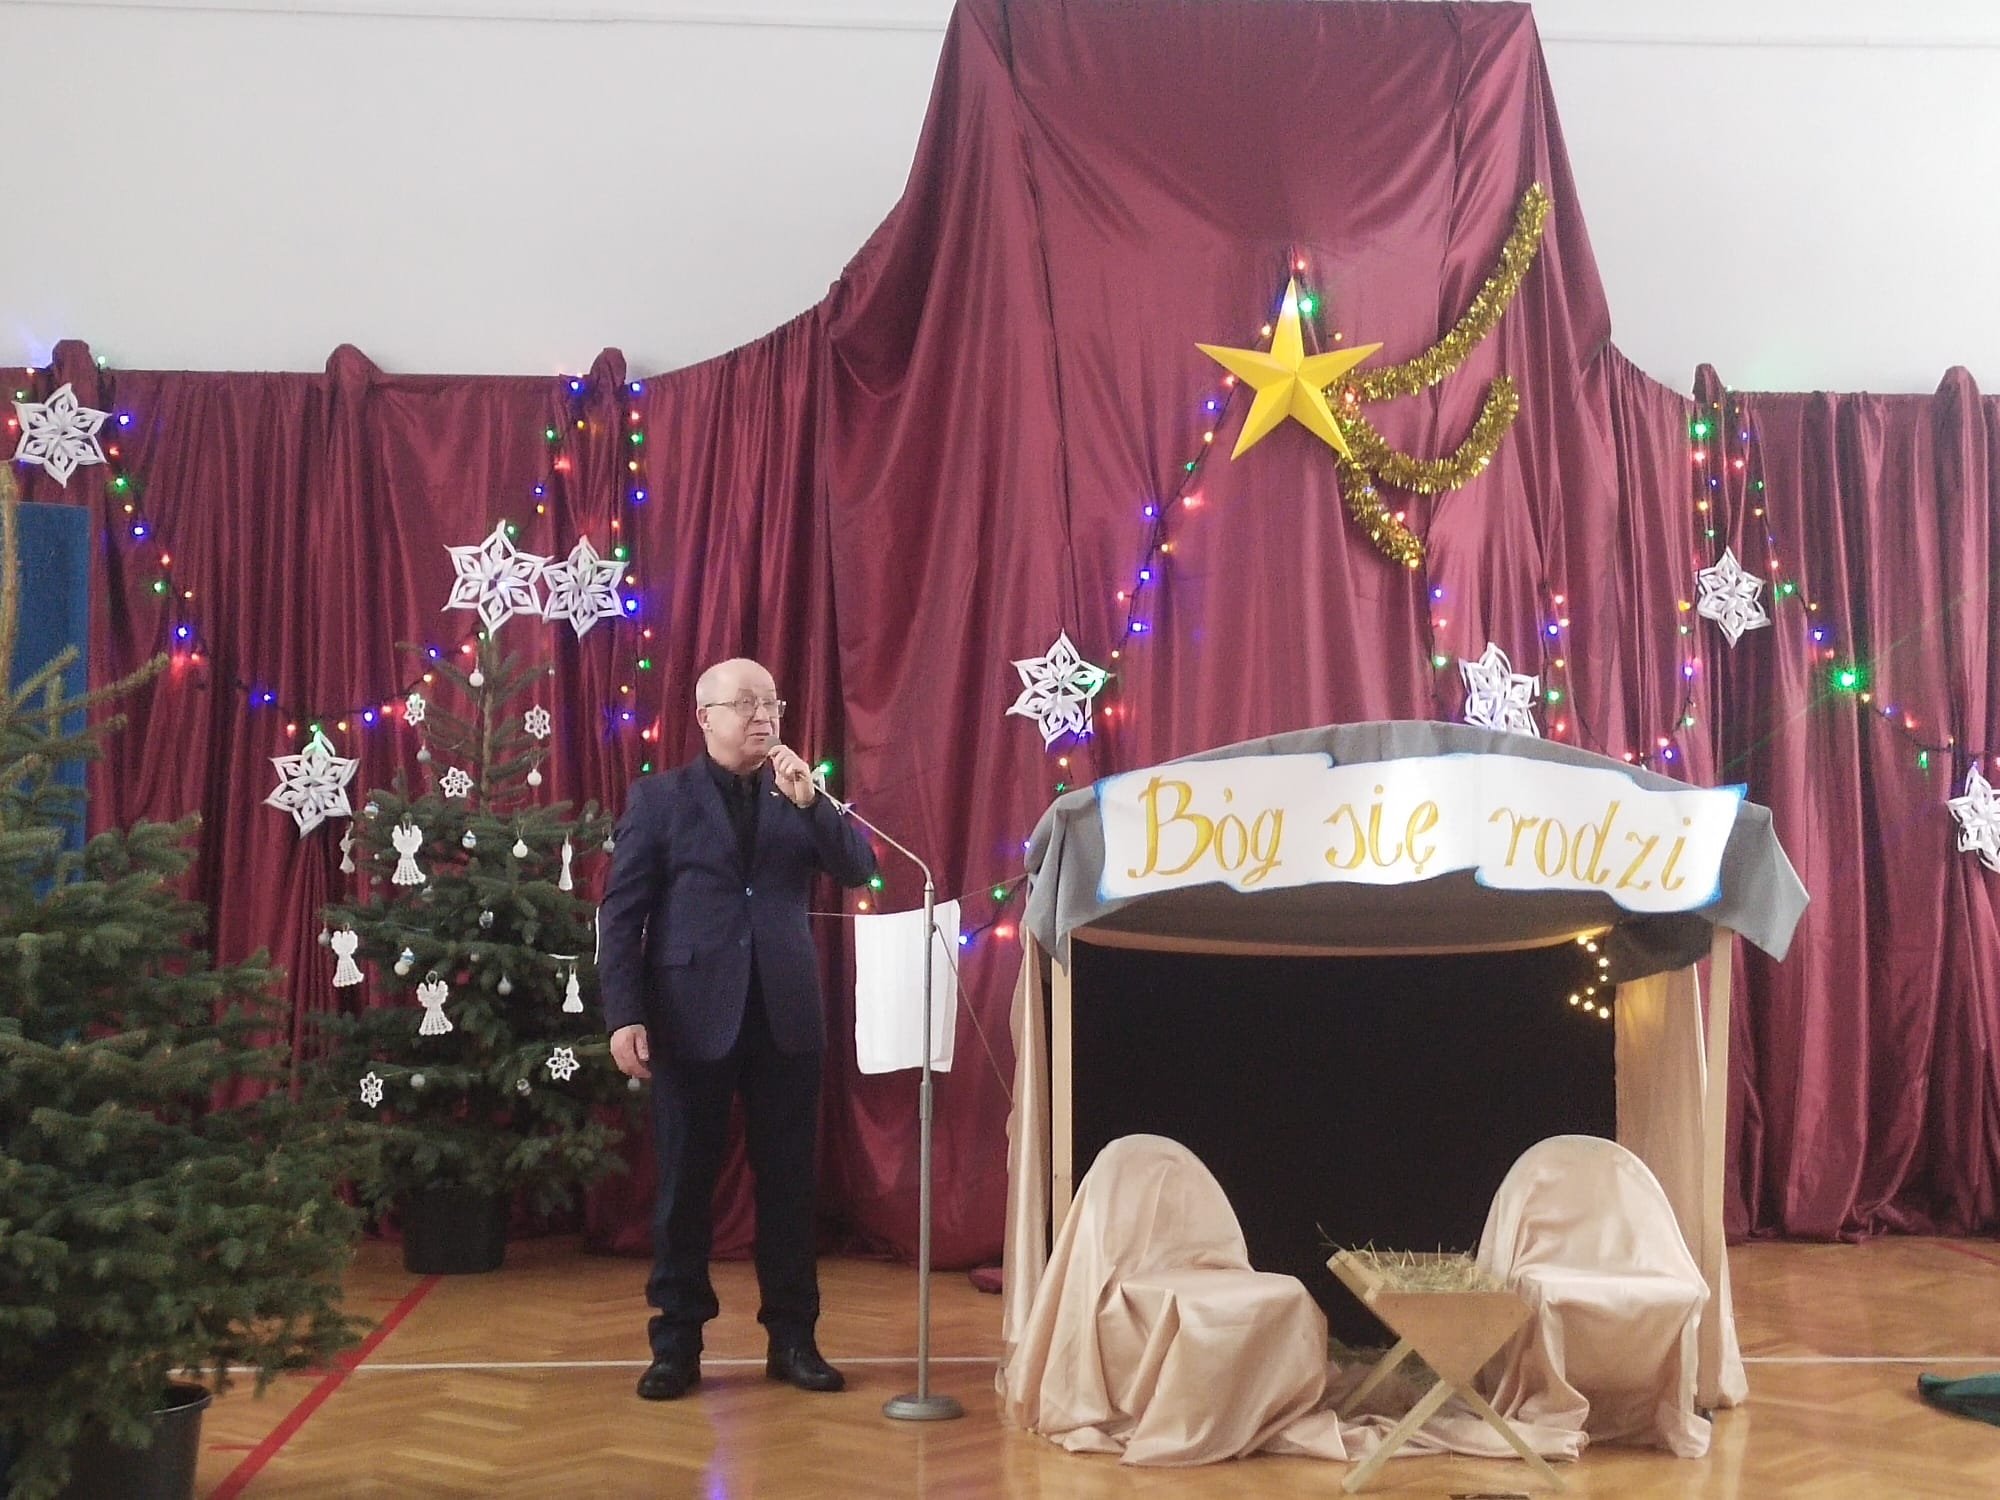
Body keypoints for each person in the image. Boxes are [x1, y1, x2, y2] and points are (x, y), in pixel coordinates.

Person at [597, 658, 878, 1401]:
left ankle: (794, 1340)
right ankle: (676, 1345)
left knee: (789, 1187)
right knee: (684, 1186)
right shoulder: (660, 799)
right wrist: (624, 1013)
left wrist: (813, 806)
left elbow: (859, 868)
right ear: (705, 717)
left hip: (786, 1016)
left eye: (772, 703)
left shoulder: (800, 791)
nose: (763, 716)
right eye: (747, 704)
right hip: (689, 1016)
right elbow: (621, 915)